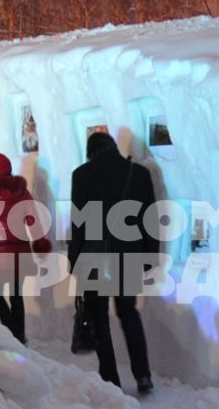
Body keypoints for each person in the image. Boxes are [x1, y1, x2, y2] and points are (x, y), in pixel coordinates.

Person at [67, 131, 159, 394]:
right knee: (128, 313)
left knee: (98, 316)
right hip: (128, 255)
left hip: (95, 256)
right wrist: (150, 257)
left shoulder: (81, 175)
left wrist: (74, 259)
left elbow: (79, 222)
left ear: (90, 152)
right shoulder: (138, 174)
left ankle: (110, 379)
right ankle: (143, 375)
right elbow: (150, 220)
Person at [0, 153, 51, 344]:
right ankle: (19, 336)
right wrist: (39, 241)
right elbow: (33, 220)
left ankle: (11, 334)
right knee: (16, 295)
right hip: (20, 250)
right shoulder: (21, 192)